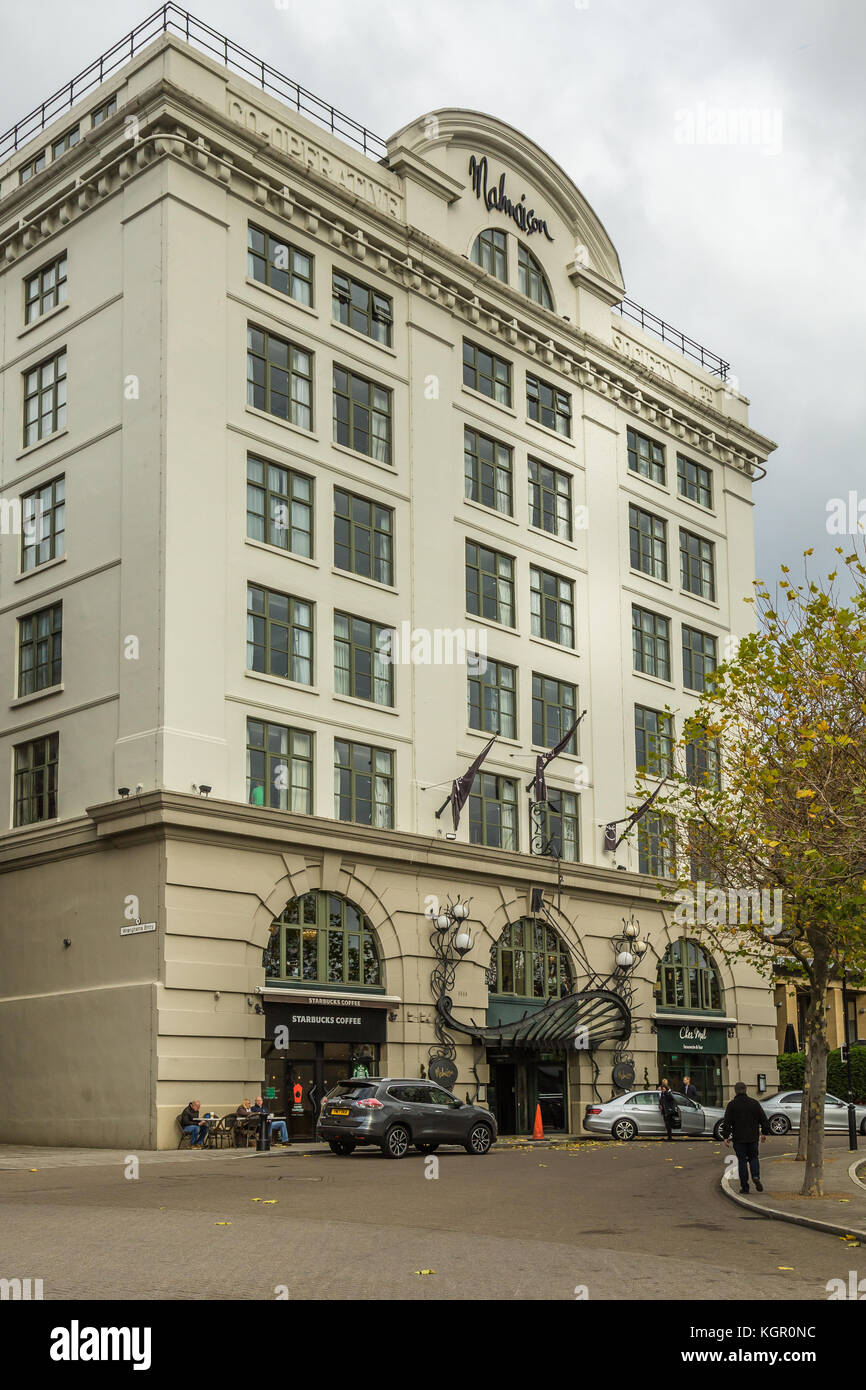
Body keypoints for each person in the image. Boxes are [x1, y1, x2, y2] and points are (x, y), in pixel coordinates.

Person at [720, 1080, 770, 1194]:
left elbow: (727, 1122)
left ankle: (745, 1187)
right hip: (753, 1137)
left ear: (735, 1091)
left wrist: (726, 1136)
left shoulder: (732, 1105)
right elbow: (763, 1119)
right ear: (746, 1089)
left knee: (742, 1161)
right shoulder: (754, 1103)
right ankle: (756, 1176)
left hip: (739, 1138)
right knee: (754, 1158)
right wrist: (764, 1133)